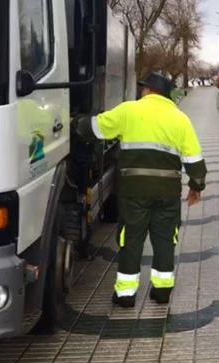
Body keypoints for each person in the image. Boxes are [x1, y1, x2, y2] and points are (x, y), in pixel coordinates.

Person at [73, 72, 207, 308]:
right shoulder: (180, 119)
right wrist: (195, 187)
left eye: (143, 87)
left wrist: (74, 122)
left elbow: (94, 129)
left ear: (148, 90)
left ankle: (126, 294)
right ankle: (162, 291)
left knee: (130, 239)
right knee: (166, 240)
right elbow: (195, 161)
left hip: (133, 191)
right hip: (168, 193)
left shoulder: (128, 111)